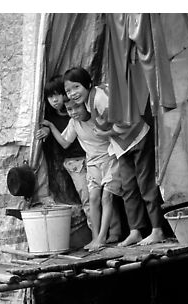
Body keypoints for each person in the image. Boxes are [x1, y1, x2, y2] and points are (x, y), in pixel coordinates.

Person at [65, 66, 165, 246]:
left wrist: (105, 134)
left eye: (76, 87)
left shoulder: (100, 98)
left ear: (87, 84)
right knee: (129, 187)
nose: (72, 93)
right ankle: (136, 231)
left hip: (136, 138)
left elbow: (125, 120)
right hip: (121, 146)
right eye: (68, 90)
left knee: (145, 184)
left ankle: (157, 230)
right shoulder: (89, 101)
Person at [42, 97, 122, 250]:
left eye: (76, 108)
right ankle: (95, 238)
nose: (73, 112)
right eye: (69, 110)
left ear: (85, 106)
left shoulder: (96, 118)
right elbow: (65, 142)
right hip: (92, 163)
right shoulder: (73, 123)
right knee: (92, 198)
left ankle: (102, 237)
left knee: (107, 197)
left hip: (109, 159)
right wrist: (51, 126)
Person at [35, 75, 89, 219]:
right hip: (74, 162)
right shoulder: (51, 118)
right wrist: (47, 130)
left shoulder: (78, 110)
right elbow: (60, 138)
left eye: (57, 94)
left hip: (91, 155)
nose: (54, 100)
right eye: (50, 97)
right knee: (87, 199)